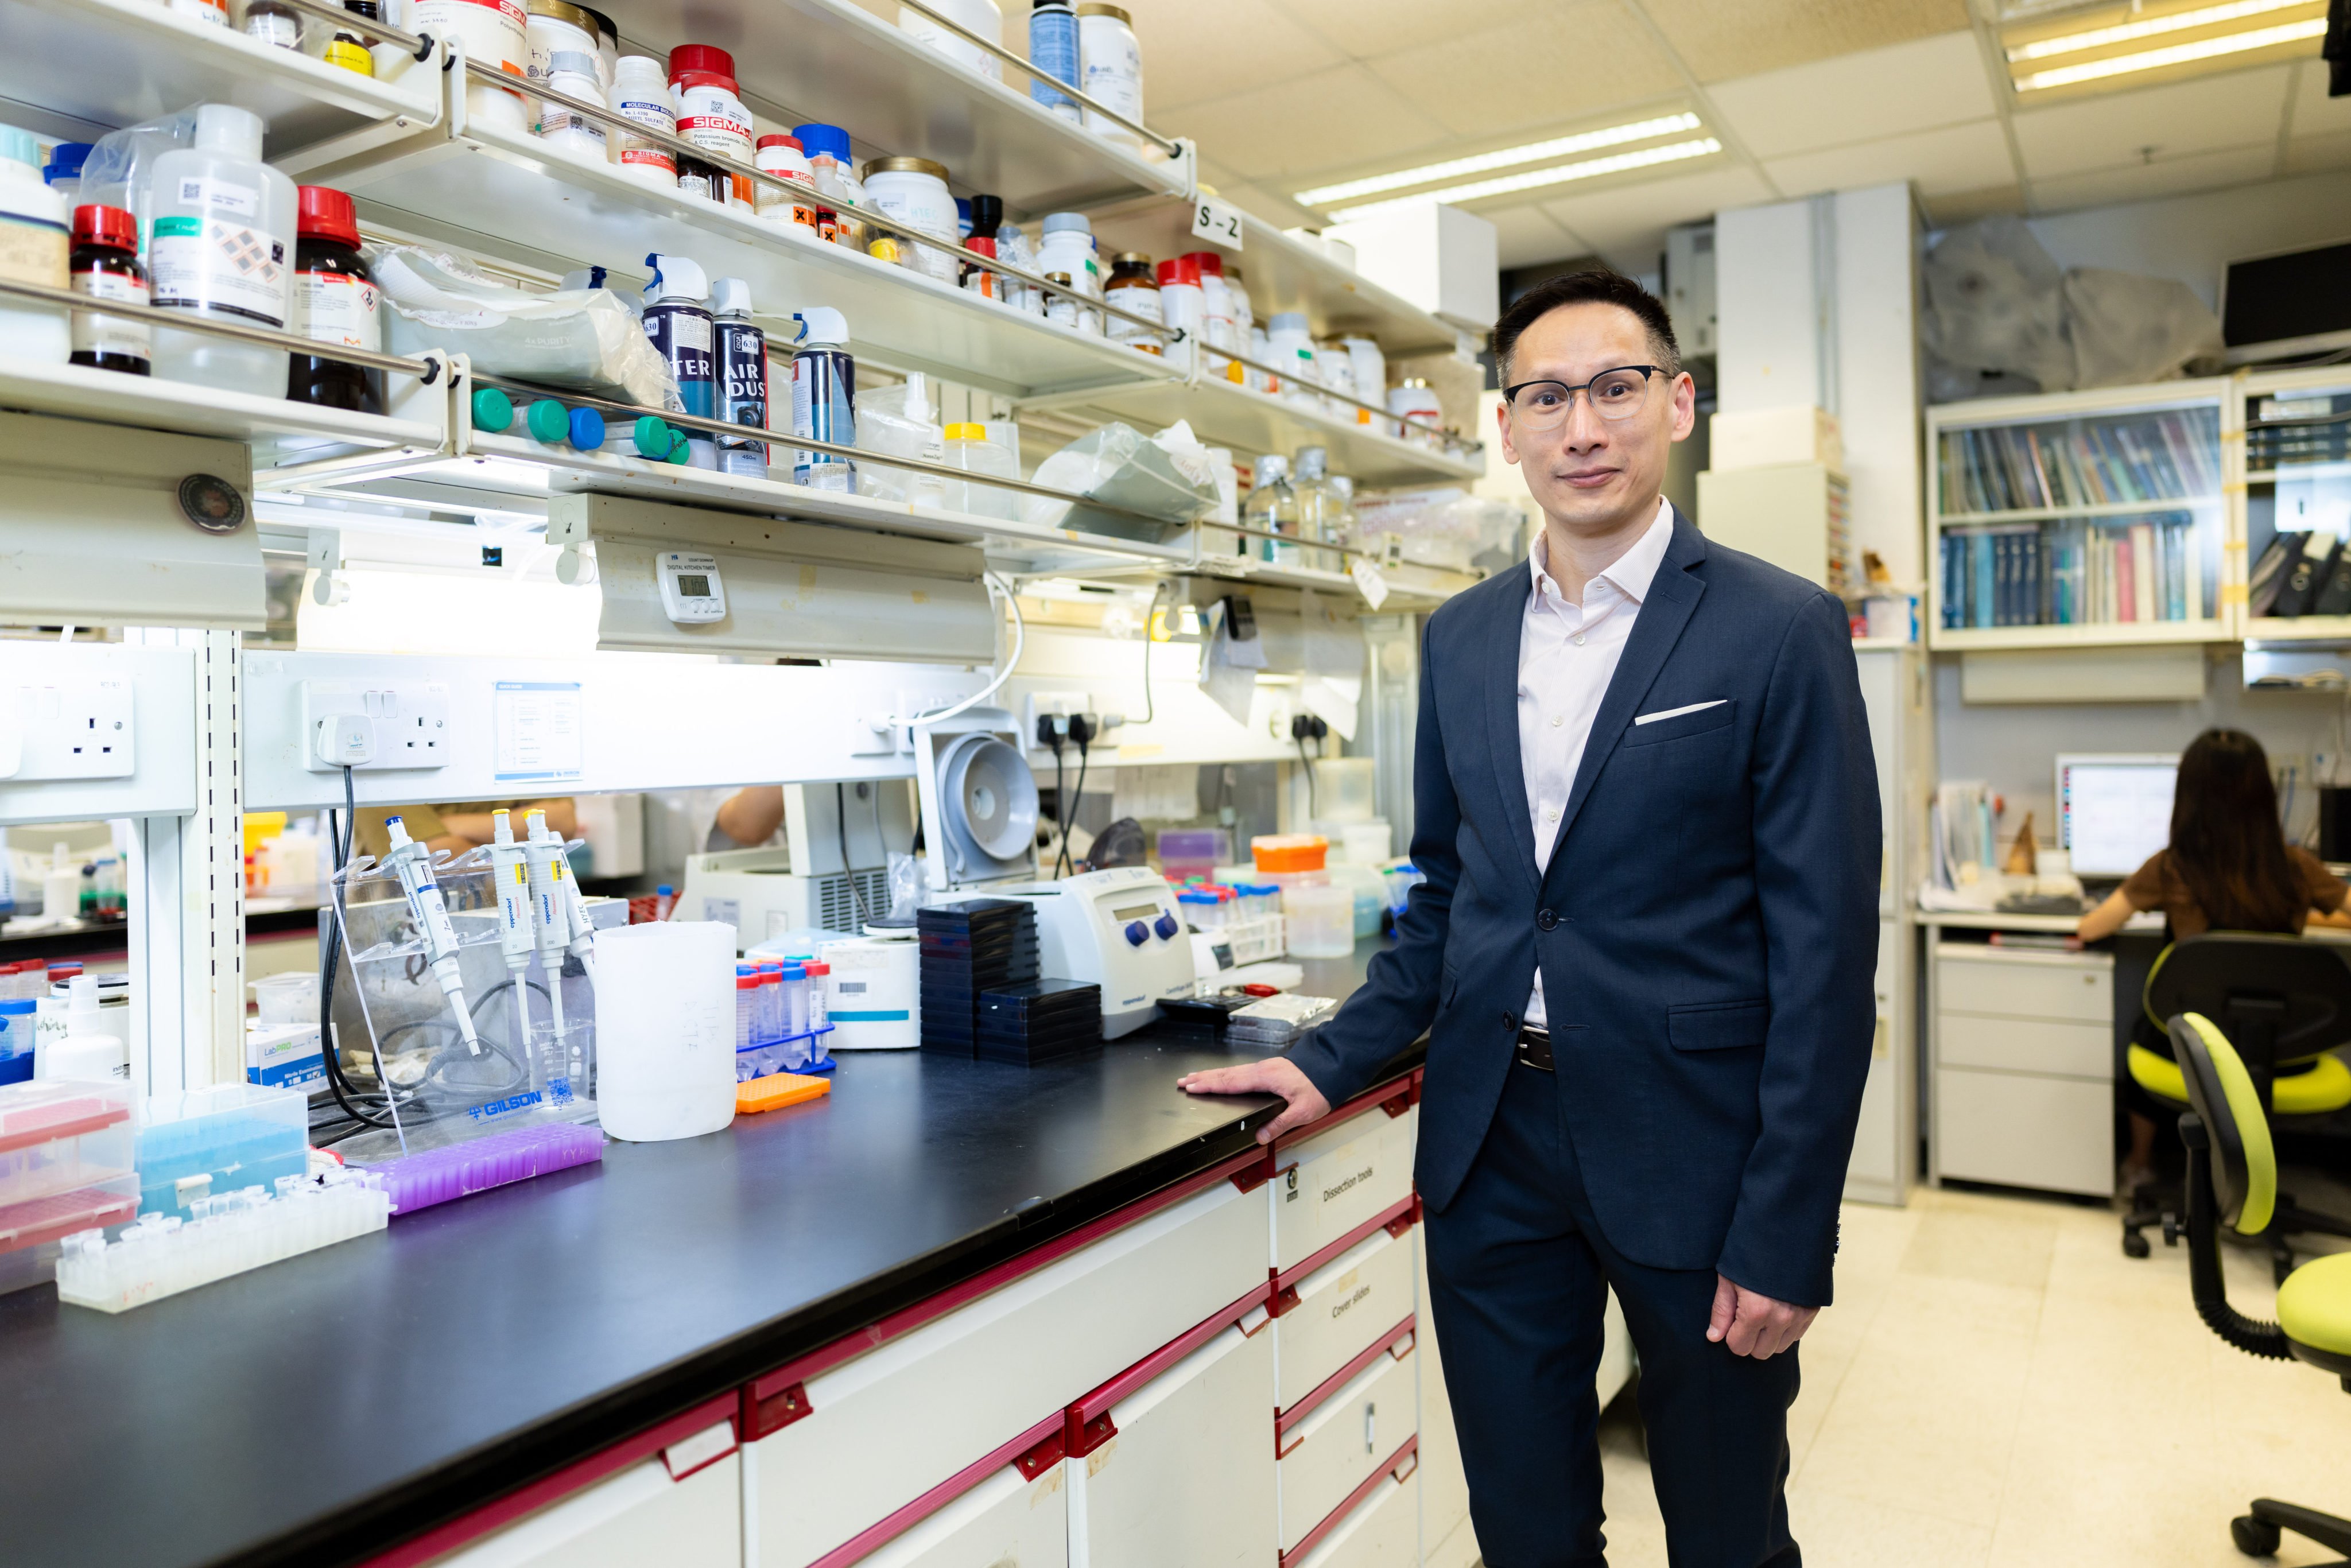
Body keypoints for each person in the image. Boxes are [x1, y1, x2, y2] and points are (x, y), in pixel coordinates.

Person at [1180, 269, 1880, 1566]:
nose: (1582, 427)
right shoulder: (1456, 640)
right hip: (1492, 1141)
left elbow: (1829, 958)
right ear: (1505, 429)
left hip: (1699, 1151)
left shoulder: (1779, 630)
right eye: (1545, 397)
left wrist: (1790, 1226)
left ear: (1677, 403)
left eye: (1616, 388)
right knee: (1526, 1531)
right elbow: (1448, 899)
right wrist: (1328, 1057)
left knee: (1728, 1531)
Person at [2077, 727, 2351, 1188]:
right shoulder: (2298, 867)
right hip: (2288, 1053)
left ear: (2188, 797)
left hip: (2195, 1053)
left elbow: (2092, 928)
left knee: (2146, 1028)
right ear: (2264, 795)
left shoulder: (2170, 868)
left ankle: (2139, 1164)